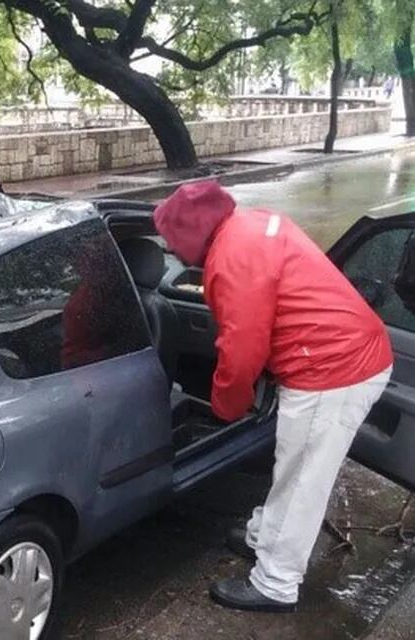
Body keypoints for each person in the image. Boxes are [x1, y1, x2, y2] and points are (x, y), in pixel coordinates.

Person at [153, 180, 393, 613]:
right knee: (294, 465)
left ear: (191, 234)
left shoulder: (231, 258)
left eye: (171, 241)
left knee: (303, 478)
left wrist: (227, 404)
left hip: (330, 369)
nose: (170, 252)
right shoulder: (253, 223)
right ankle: (263, 536)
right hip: (346, 350)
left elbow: (242, 348)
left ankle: (276, 582)